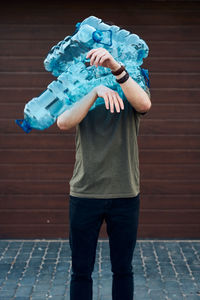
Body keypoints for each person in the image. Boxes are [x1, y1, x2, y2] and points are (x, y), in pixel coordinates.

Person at [57, 47, 152, 300]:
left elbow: (144, 104)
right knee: (81, 271)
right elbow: (64, 122)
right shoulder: (79, 85)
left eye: (106, 57)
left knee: (123, 270)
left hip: (125, 192)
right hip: (85, 192)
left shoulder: (133, 79)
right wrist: (95, 91)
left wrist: (116, 67)